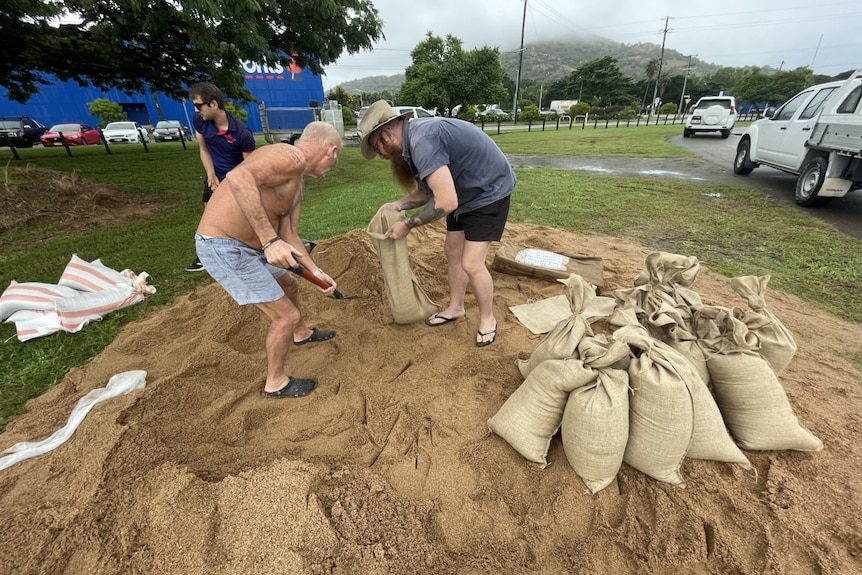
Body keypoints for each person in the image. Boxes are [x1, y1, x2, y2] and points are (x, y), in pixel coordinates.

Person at [194, 121, 342, 398]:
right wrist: (269, 240)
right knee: (285, 315)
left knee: (290, 286)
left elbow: (290, 235)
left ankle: (301, 334)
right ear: (331, 151)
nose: (330, 169)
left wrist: (317, 272)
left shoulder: (297, 185)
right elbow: (238, 178)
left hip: (248, 249)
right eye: (334, 161)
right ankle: (275, 383)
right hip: (223, 246)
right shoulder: (290, 156)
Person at [359, 100, 516, 348]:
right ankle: (456, 308)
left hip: (489, 191)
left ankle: (488, 319)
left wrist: (408, 225)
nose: (380, 155)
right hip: (462, 193)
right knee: (453, 251)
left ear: (387, 133)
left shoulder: (424, 141)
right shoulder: (411, 145)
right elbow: (428, 192)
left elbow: (445, 202)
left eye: (377, 147)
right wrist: (398, 205)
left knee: (471, 263)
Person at [186, 82, 257, 272]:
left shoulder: (242, 133)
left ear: (214, 104)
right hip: (214, 177)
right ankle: (207, 256)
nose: (196, 110)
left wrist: (229, 183)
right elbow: (203, 148)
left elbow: (249, 167)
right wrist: (211, 174)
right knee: (209, 215)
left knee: (238, 220)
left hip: (235, 180)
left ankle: (252, 251)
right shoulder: (199, 120)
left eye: (199, 105)